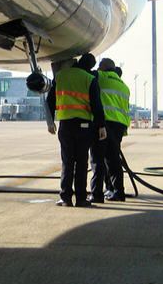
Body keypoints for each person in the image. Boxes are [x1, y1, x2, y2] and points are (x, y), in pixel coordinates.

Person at [46, 54, 106, 207]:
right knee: (81, 162)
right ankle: (80, 198)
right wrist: (101, 125)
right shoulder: (89, 78)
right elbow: (97, 105)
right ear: (91, 66)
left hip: (65, 125)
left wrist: (50, 122)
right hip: (84, 126)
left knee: (67, 161)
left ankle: (65, 197)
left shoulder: (60, 76)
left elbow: (50, 100)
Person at [89, 58, 130, 203]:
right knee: (113, 159)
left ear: (105, 66)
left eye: (100, 66)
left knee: (97, 159)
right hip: (119, 126)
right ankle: (118, 192)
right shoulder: (124, 85)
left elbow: (85, 74)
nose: (98, 68)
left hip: (104, 123)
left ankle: (97, 194)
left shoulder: (101, 76)